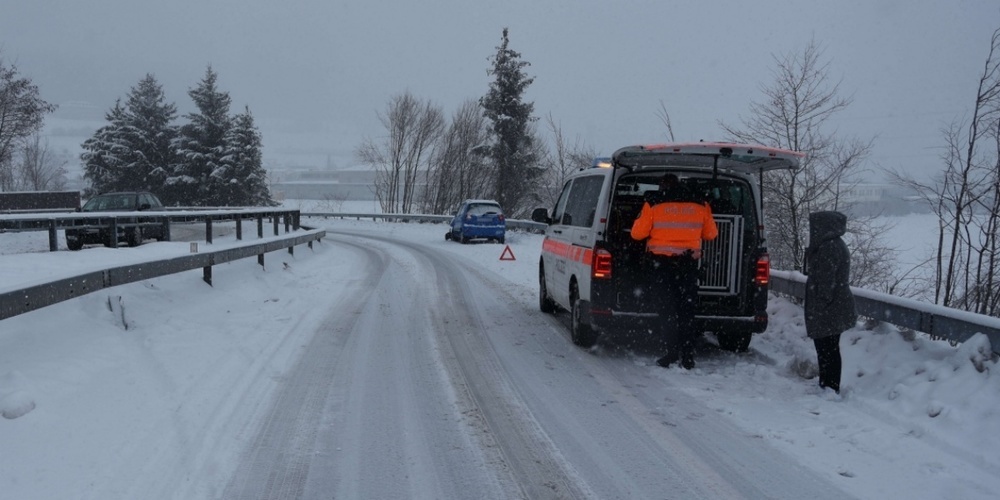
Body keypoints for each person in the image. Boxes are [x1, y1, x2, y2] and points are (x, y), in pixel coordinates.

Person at [631, 174, 718, 369]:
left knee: (667, 310)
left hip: (661, 266)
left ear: (662, 186)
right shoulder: (701, 204)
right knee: (686, 311)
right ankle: (688, 356)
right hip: (687, 266)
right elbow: (711, 234)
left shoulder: (653, 203)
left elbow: (637, 234)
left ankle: (671, 353)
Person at [804, 211, 857, 394]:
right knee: (829, 346)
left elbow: (826, 280)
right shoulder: (834, 245)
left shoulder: (829, 247)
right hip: (835, 305)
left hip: (830, 306)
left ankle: (830, 386)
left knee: (827, 347)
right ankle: (827, 384)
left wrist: (821, 304)